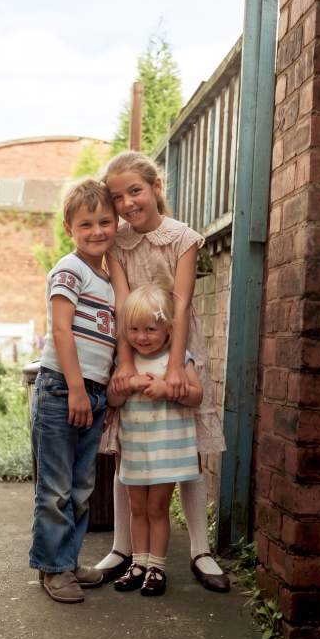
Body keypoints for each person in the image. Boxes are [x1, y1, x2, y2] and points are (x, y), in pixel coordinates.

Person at [95, 151, 230, 593]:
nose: (128, 203)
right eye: (118, 197)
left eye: (135, 191)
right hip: (133, 343)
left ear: (155, 187)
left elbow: (184, 303)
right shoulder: (117, 244)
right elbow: (120, 302)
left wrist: (175, 367)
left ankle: (198, 548)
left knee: (184, 448)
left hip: (178, 348)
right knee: (126, 449)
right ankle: (122, 548)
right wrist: (126, 360)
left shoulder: (183, 239)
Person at [29, 178, 118, 603]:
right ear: (69, 228)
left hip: (93, 392)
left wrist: (100, 391)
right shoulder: (70, 269)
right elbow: (60, 330)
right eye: (86, 224)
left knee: (82, 488)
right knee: (56, 487)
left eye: (105, 222)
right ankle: (51, 570)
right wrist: (79, 388)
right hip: (64, 389)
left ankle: (66, 560)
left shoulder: (107, 278)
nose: (97, 231)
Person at [106, 275, 203, 596]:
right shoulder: (125, 362)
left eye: (151, 329)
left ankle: (157, 568)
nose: (142, 337)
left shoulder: (178, 359)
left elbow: (196, 396)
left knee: (158, 508)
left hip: (167, 450)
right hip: (135, 448)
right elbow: (114, 400)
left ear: (168, 329)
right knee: (137, 509)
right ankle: (138, 562)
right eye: (134, 329)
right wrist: (128, 384)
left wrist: (167, 389)